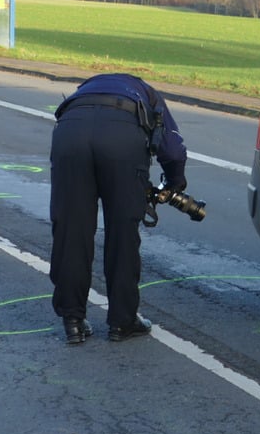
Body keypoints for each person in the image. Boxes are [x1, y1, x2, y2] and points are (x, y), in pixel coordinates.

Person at [49, 73, 188, 344]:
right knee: (122, 232)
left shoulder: (83, 90)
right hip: (122, 137)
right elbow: (172, 150)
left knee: (71, 230)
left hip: (70, 133)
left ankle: (72, 320)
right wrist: (174, 182)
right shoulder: (148, 93)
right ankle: (122, 322)